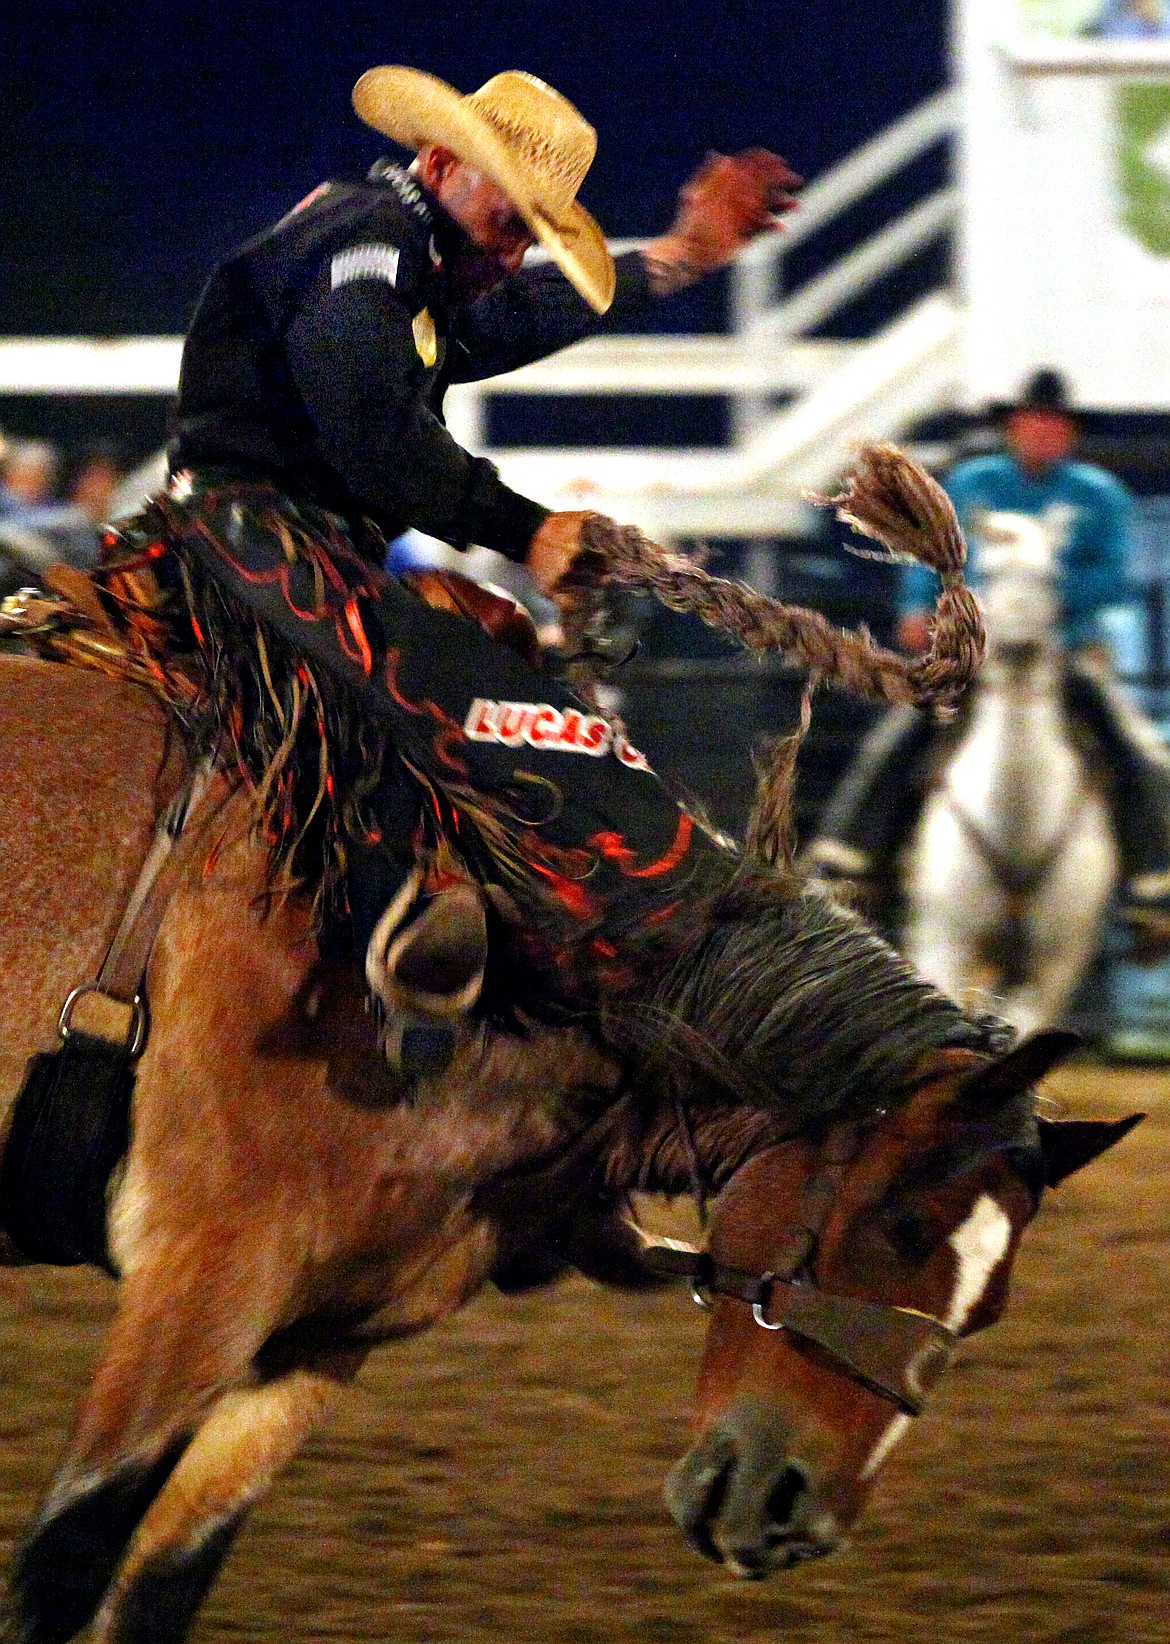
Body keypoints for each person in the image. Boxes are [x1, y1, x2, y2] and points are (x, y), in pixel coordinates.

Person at [99, 66, 801, 1079]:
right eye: (506, 222)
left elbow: (501, 322)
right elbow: (372, 424)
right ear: (438, 163)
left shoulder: (410, 260)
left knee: (471, 661)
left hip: (301, 535)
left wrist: (683, 258)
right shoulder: (367, 241)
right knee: (408, 679)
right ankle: (398, 960)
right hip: (242, 528)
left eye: (527, 236)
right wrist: (526, 529)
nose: (509, 252)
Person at [808, 367, 1170, 938]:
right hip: (976, 651)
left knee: (1129, 744)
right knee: (905, 728)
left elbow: (1114, 577)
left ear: (1067, 433)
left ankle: (1155, 882)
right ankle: (849, 851)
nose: (1042, 433)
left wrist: (1041, 604)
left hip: (1066, 650)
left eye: (1053, 425)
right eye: (1032, 423)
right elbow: (932, 552)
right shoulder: (972, 483)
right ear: (1014, 428)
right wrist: (918, 607)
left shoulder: (1100, 497)